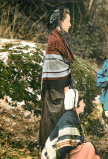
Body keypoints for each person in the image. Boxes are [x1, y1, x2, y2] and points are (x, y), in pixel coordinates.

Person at [35, 89, 101, 159]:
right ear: (76, 104)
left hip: (62, 152)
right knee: (89, 147)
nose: (84, 105)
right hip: (55, 157)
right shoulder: (68, 118)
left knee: (88, 147)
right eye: (82, 102)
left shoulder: (72, 116)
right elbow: (64, 145)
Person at [39, 7, 76, 148]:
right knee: (54, 114)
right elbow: (54, 65)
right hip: (56, 87)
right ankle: (50, 147)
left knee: (57, 114)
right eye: (68, 21)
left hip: (58, 86)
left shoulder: (59, 38)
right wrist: (66, 84)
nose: (70, 24)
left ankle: (56, 146)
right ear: (60, 22)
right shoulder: (54, 39)